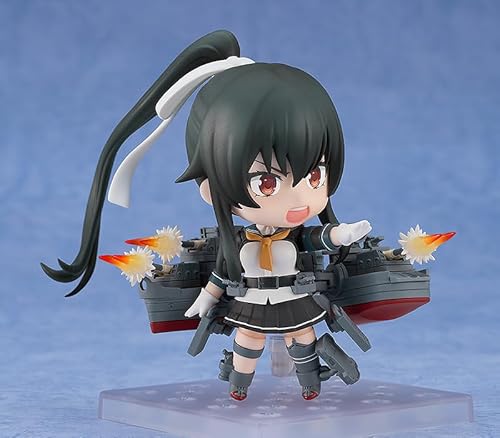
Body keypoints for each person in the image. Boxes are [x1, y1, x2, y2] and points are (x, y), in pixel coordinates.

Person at [41, 29, 371, 401]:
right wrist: (206, 297)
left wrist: (343, 234)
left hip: (294, 299)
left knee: (303, 338)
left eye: (314, 176)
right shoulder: (239, 241)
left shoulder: (293, 236)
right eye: (266, 182)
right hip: (252, 302)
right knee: (248, 341)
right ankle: (239, 385)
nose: (299, 198)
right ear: (212, 188)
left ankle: (310, 384)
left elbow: (319, 238)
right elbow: (222, 272)